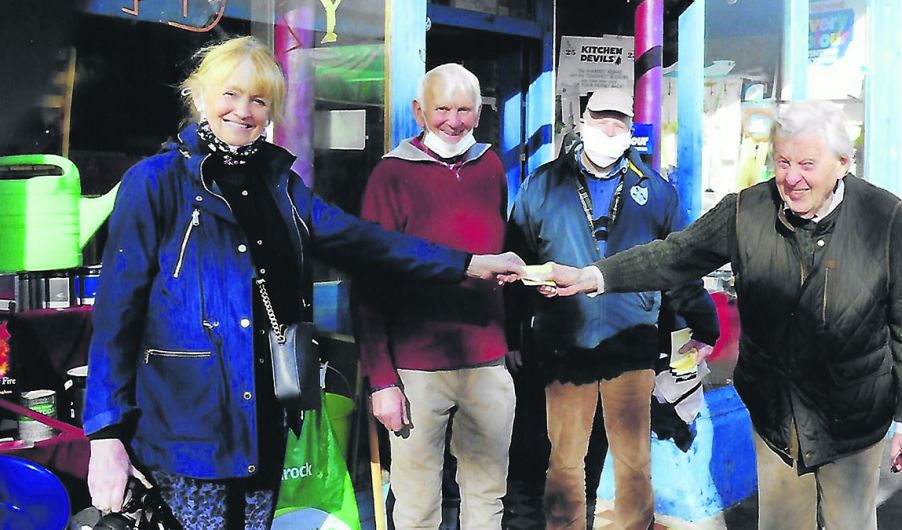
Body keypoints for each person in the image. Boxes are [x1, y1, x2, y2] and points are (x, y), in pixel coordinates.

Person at [82, 37, 524, 530]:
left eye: (259, 100)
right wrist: (106, 436)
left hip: (263, 425)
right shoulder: (155, 182)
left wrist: (465, 263)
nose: (243, 111)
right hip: (186, 427)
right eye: (230, 95)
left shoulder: (279, 184)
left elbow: (365, 242)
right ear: (200, 95)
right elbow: (115, 318)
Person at [538, 99, 902, 530]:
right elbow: (676, 255)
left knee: (849, 524)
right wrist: (595, 275)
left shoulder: (885, 217)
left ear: (842, 163)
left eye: (807, 164)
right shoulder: (747, 210)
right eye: (782, 162)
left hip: (854, 414)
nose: (792, 177)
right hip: (776, 415)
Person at [505, 88, 719, 530]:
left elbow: (678, 266)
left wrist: (701, 327)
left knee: (634, 466)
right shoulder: (542, 185)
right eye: (599, 118)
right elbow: (516, 264)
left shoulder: (656, 192)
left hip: (632, 345)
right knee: (564, 463)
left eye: (618, 121)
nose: (608, 128)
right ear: (580, 122)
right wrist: (512, 335)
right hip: (565, 346)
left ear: (630, 128)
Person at [355, 63, 516, 530]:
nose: (453, 120)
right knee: (416, 506)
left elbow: (501, 248)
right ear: (418, 111)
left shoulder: (490, 165)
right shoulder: (391, 175)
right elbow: (369, 281)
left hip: (487, 364)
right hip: (414, 372)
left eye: (464, 109)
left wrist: (513, 341)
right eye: (441, 108)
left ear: (479, 113)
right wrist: (381, 380)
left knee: (488, 498)